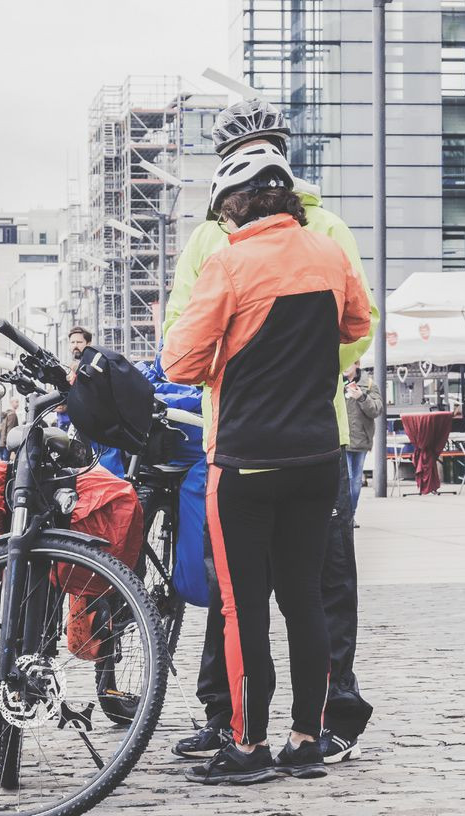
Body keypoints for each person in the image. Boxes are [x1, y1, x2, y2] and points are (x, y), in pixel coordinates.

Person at [163, 98, 379, 766]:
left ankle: (248, 740)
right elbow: (357, 325)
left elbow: (180, 361)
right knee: (308, 601)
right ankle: (308, 739)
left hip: (245, 458)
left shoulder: (226, 262)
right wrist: (308, 366)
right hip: (318, 451)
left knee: (242, 608)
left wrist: (236, 355)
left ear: (238, 203)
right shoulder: (329, 248)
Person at [343, 362, 382, 519]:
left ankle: (350, 514)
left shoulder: (369, 384)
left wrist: (362, 397)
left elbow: (377, 410)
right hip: (341, 440)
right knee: (347, 478)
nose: (345, 366)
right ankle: (345, 516)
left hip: (361, 439)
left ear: (357, 364)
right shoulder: (335, 382)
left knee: (356, 481)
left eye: (349, 362)